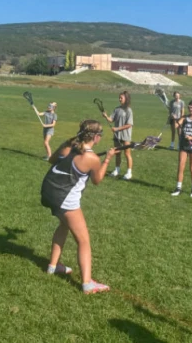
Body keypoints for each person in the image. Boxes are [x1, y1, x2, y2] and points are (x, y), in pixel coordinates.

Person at [40, 120, 117, 294]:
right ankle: (87, 283)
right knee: (83, 240)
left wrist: (66, 146)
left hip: (49, 193)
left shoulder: (69, 146)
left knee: (63, 225)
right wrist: (108, 159)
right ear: (96, 137)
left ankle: (54, 266)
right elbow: (97, 180)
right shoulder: (92, 158)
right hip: (65, 199)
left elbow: (52, 160)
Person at [101, 91, 134, 180]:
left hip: (126, 136)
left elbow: (129, 124)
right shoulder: (117, 109)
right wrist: (106, 116)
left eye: (121, 98)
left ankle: (129, 172)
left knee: (127, 153)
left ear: (126, 99)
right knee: (117, 153)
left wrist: (117, 129)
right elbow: (111, 119)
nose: (119, 99)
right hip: (117, 136)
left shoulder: (129, 110)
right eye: (119, 98)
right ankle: (117, 170)